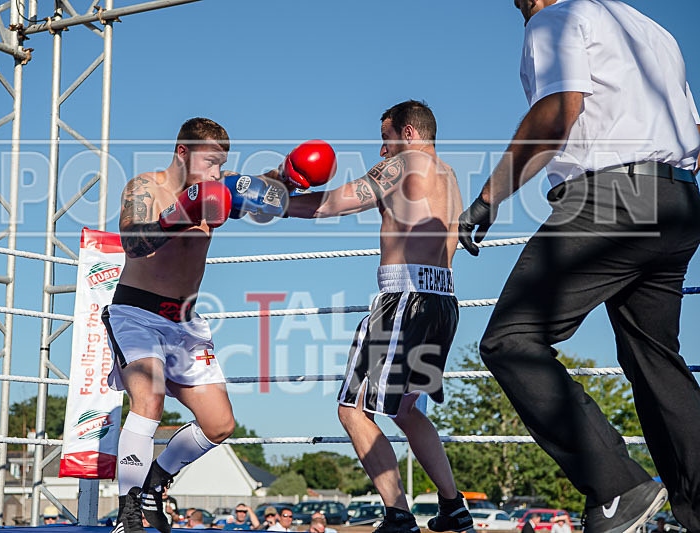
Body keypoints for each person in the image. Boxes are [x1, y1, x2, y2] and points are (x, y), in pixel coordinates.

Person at [458, 1, 700, 531]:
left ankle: (618, 486)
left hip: (611, 200)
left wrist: (489, 196)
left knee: (511, 340)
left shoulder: (555, 17)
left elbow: (558, 110)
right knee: (656, 361)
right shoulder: (652, 29)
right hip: (678, 201)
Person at [105, 117, 335, 533]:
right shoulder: (145, 187)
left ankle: (156, 481)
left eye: (220, 164)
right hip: (137, 312)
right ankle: (129, 512)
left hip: (184, 322)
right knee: (150, 398)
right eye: (209, 163)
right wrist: (180, 212)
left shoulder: (220, 186)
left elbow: (269, 197)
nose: (216, 173)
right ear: (182, 152)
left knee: (219, 425)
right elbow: (133, 242)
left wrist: (288, 175)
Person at [286, 100, 473, 533]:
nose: (381, 148)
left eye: (386, 136)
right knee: (406, 410)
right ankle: (453, 508)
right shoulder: (449, 175)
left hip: (403, 300)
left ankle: (398, 515)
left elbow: (336, 203)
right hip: (441, 300)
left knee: (351, 409)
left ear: (407, 133)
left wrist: (271, 203)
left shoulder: (404, 162)